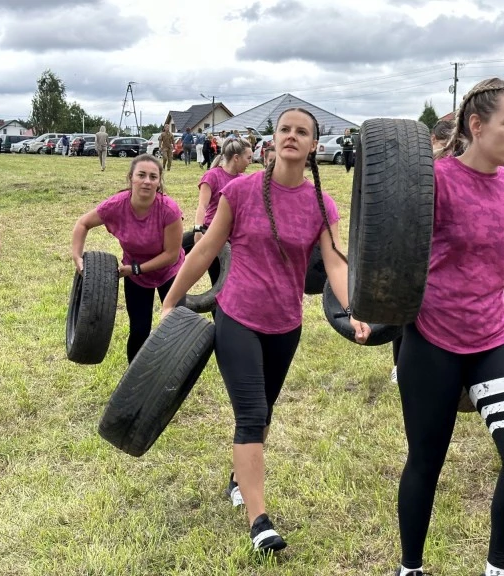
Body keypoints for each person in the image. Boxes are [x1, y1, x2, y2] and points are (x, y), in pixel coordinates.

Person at [160, 107, 370, 553]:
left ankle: (238, 477)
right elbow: (204, 250)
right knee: (252, 414)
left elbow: (334, 262)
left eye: (302, 132)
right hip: (236, 315)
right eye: (285, 129)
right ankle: (260, 522)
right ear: (271, 141)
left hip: (285, 323)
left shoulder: (321, 204)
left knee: (265, 412)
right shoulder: (241, 190)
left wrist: (353, 309)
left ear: (314, 145)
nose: (292, 136)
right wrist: (173, 299)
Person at [393, 78, 504, 576]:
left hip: (493, 336)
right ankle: (410, 567)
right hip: (432, 337)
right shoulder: (434, 181)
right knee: (426, 460)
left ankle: (498, 569)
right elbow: (396, 256)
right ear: (476, 126)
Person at [71, 155, 185, 363]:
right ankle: (135, 380)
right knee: (140, 329)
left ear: (159, 181)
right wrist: (77, 257)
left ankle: (170, 377)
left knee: (175, 328)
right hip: (136, 275)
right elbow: (82, 224)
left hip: (170, 272)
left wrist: (135, 269)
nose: (147, 181)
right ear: (131, 177)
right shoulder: (117, 205)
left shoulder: (169, 209)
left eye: (153, 176)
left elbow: (171, 255)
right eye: (141, 175)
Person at [390, 119, 455, 384]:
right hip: (416, 247)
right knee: (407, 311)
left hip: (436, 249)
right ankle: (400, 365)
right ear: (433, 140)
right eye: (444, 146)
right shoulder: (421, 168)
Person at [193, 138, 253, 288]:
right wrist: (198, 230)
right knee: (219, 285)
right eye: (249, 158)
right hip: (214, 236)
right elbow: (202, 205)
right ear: (236, 158)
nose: (251, 162)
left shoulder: (244, 180)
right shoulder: (212, 176)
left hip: (237, 240)